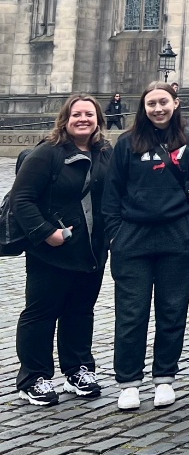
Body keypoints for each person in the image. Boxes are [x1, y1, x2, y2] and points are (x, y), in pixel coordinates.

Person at [101, 82, 189, 411]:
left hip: (177, 237)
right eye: (151, 104)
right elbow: (112, 193)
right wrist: (116, 234)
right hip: (133, 238)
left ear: (176, 103)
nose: (157, 109)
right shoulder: (127, 143)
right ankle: (129, 381)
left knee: (172, 311)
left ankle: (165, 377)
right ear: (143, 108)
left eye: (163, 102)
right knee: (132, 313)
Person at [11, 95, 112, 406]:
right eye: (77, 114)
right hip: (51, 250)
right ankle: (33, 377)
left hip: (92, 250)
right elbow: (22, 199)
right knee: (41, 313)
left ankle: (78, 370)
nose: (83, 119)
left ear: (98, 120)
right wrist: (45, 233)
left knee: (80, 312)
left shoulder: (105, 153)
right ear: (65, 118)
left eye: (89, 114)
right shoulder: (47, 153)